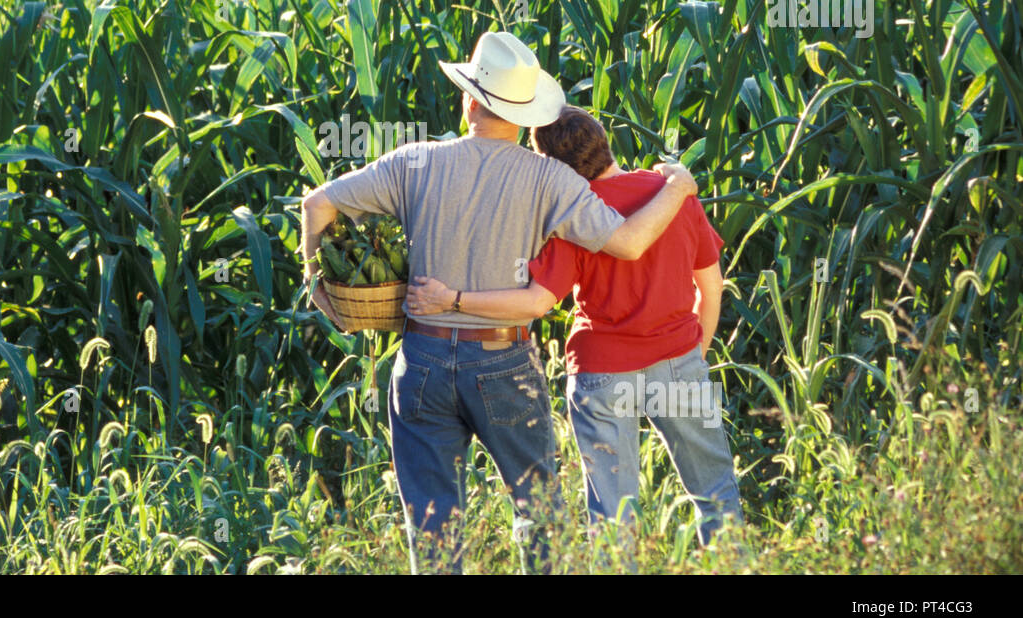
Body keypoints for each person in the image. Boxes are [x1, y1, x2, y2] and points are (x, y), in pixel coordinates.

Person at [299, 31, 699, 572]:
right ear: (526, 114)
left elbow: (317, 203)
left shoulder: (414, 161)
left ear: (469, 100)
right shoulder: (550, 179)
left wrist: (317, 284)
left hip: (422, 361)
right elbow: (628, 242)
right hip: (504, 361)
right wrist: (676, 190)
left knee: (434, 528)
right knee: (539, 516)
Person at [406, 105, 743, 549]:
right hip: (679, 359)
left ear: (550, 165)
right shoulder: (674, 194)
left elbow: (537, 302)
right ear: (603, 140)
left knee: (613, 514)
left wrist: (453, 300)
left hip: (602, 373)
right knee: (716, 493)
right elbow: (711, 284)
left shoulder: (572, 215)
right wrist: (695, 354)